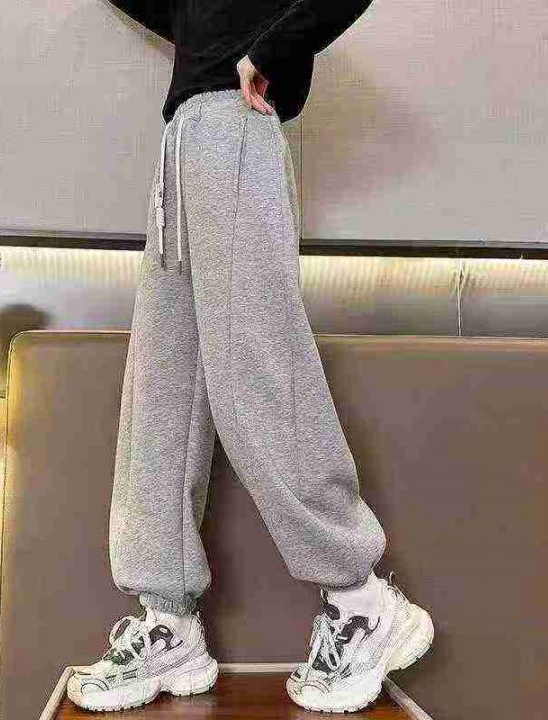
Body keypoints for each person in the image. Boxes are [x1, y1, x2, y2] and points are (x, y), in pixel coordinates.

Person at [68, 0, 434, 713]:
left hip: (234, 125)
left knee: (256, 372)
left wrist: (274, 50)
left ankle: (361, 599)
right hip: (182, 140)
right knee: (162, 389)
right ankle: (168, 619)